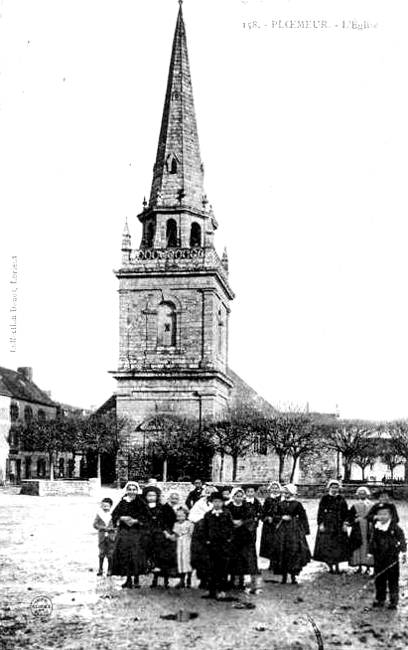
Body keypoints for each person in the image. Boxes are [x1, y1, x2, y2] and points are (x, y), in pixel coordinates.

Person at [110, 481, 150, 588]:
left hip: (136, 532)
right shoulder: (123, 501)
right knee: (125, 554)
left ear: (137, 491)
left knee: (136, 555)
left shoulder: (141, 502)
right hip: (124, 532)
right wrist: (122, 518)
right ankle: (128, 579)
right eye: (130, 489)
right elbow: (115, 514)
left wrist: (136, 521)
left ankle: (136, 579)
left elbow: (147, 516)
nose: (131, 491)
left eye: (134, 489)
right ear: (126, 490)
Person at [367, 504, 407, 609]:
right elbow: (372, 540)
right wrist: (370, 553)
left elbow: (402, 539)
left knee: (393, 580)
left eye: (385, 514)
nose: (382, 517)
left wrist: (403, 552)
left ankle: (393, 602)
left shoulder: (395, 527)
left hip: (391, 558)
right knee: (379, 579)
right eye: (379, 514)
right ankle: (380, 599)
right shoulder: (376, 526)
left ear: (390, 515)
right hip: (379, 557)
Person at [271, 484, 311, 584]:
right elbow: (274, 515)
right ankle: (283, 577)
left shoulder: (297, 504)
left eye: (287, 492)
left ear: (292, 493)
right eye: (284, 492)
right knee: (282, 551)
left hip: (294, 530)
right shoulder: (280, 504)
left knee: (294, 551)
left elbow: (303, 516)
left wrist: (305, 530)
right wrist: (281, 518)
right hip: (282, 531)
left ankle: (293, 576)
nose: (285, 494)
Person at [143, 486, 178, 589]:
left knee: (162, 557)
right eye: (149, 495)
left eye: (154, 495)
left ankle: (165, 580)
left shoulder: (163, 507)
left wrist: (165, 531)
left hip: (160, 534)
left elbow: (168, 521)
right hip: (147, 533)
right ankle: (151, 575)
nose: (151, 497)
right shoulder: (143, 507)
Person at [201, 491, 234, 600]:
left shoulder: (227, 513)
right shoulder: (208, 515)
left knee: (223, 568)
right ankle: (211, 590)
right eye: (215, 501)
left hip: (223, 545)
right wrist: (206, 540)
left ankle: (222, 590)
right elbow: (204, 529)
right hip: (211, 545)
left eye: (219, 501)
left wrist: (229, 539)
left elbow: (231, 528)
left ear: (223, 502)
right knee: (211, 568)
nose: (217, 504)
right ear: (211, 502)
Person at [313, 479, 349, 574]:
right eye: (333, 487)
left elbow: (346, 512)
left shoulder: (341, 499)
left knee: (338, 546)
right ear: (329, 488)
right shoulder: (325, 498)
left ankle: (337, 565)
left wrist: (345, 523)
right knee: (328, 545)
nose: (334, 489)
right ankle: (330, 566)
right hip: (328, 524)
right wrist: (321, 524)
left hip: (338, 525)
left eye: (336, 487)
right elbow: (320, 512)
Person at [227, 487, 258, 592]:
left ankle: (241, 579)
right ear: (233, 496)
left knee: (242, 557)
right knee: (232, 557)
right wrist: (232, 523)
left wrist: (242, 522)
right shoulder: (229, 506)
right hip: (232, 535)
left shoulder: (247, 506)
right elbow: (225, 518)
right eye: (237, 496)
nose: (239, 498)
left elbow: (251, 519)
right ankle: (232, 579)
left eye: (240, 496)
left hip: (244, 535)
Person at [189, 484, 217, 589]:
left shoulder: (218, 503)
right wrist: (203, 519)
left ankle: (214, 580)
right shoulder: (200, 503)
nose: (209, 494)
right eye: (207, 492)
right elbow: (192, 515)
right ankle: (203, 580)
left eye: (211, 493)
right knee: (202, 558)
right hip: (202, 533)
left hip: (214, 534)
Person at [347, 486, 374, 574]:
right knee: (358, 546)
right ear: (358, 495)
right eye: (360, 493)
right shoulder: (355, 506)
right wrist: (354, 520)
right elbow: (350, 518)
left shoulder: (372, 505)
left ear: (367, 494)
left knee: (368, 546)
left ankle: (368, 567)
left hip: (368, 528)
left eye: (364, 493)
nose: (362, 495)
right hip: (357, 529)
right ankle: (359, 566)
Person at [259, 481, 282, 569]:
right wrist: (266, 517)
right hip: (269, 526)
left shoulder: (281, 499)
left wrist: (277, 518)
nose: (274, 490)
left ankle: (278, 564)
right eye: (273, 488)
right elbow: (263, 511)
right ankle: (271, 563)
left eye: (276, 488)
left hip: (279, 524)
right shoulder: (268, 499)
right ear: (270, 489)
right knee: (269, 543)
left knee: (278, 543)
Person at [93, 497, 116, 577]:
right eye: (103, 506)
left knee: (110, 553)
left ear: (110, 506)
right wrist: (102, 528)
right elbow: (95, 524)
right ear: (101, 506)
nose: (105, 508)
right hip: (102, 536)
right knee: (101, 553)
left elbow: (117, 525)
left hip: (111, 537)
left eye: (107, 506)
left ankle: (110, 569)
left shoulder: (113, 515)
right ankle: (100, 569)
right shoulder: (99, 515)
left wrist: (112, 529)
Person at [173, 506, 194, 588]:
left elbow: (191, 534)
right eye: (178, 516)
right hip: (179, 543)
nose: (179, 518)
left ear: (186, 516)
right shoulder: (176, 524)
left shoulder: (190, 524)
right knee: (180, 560)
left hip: (187, 543)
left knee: (187, 560)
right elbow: (175, 535)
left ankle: (189, 579)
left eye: (181, 516)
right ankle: (182, 580)